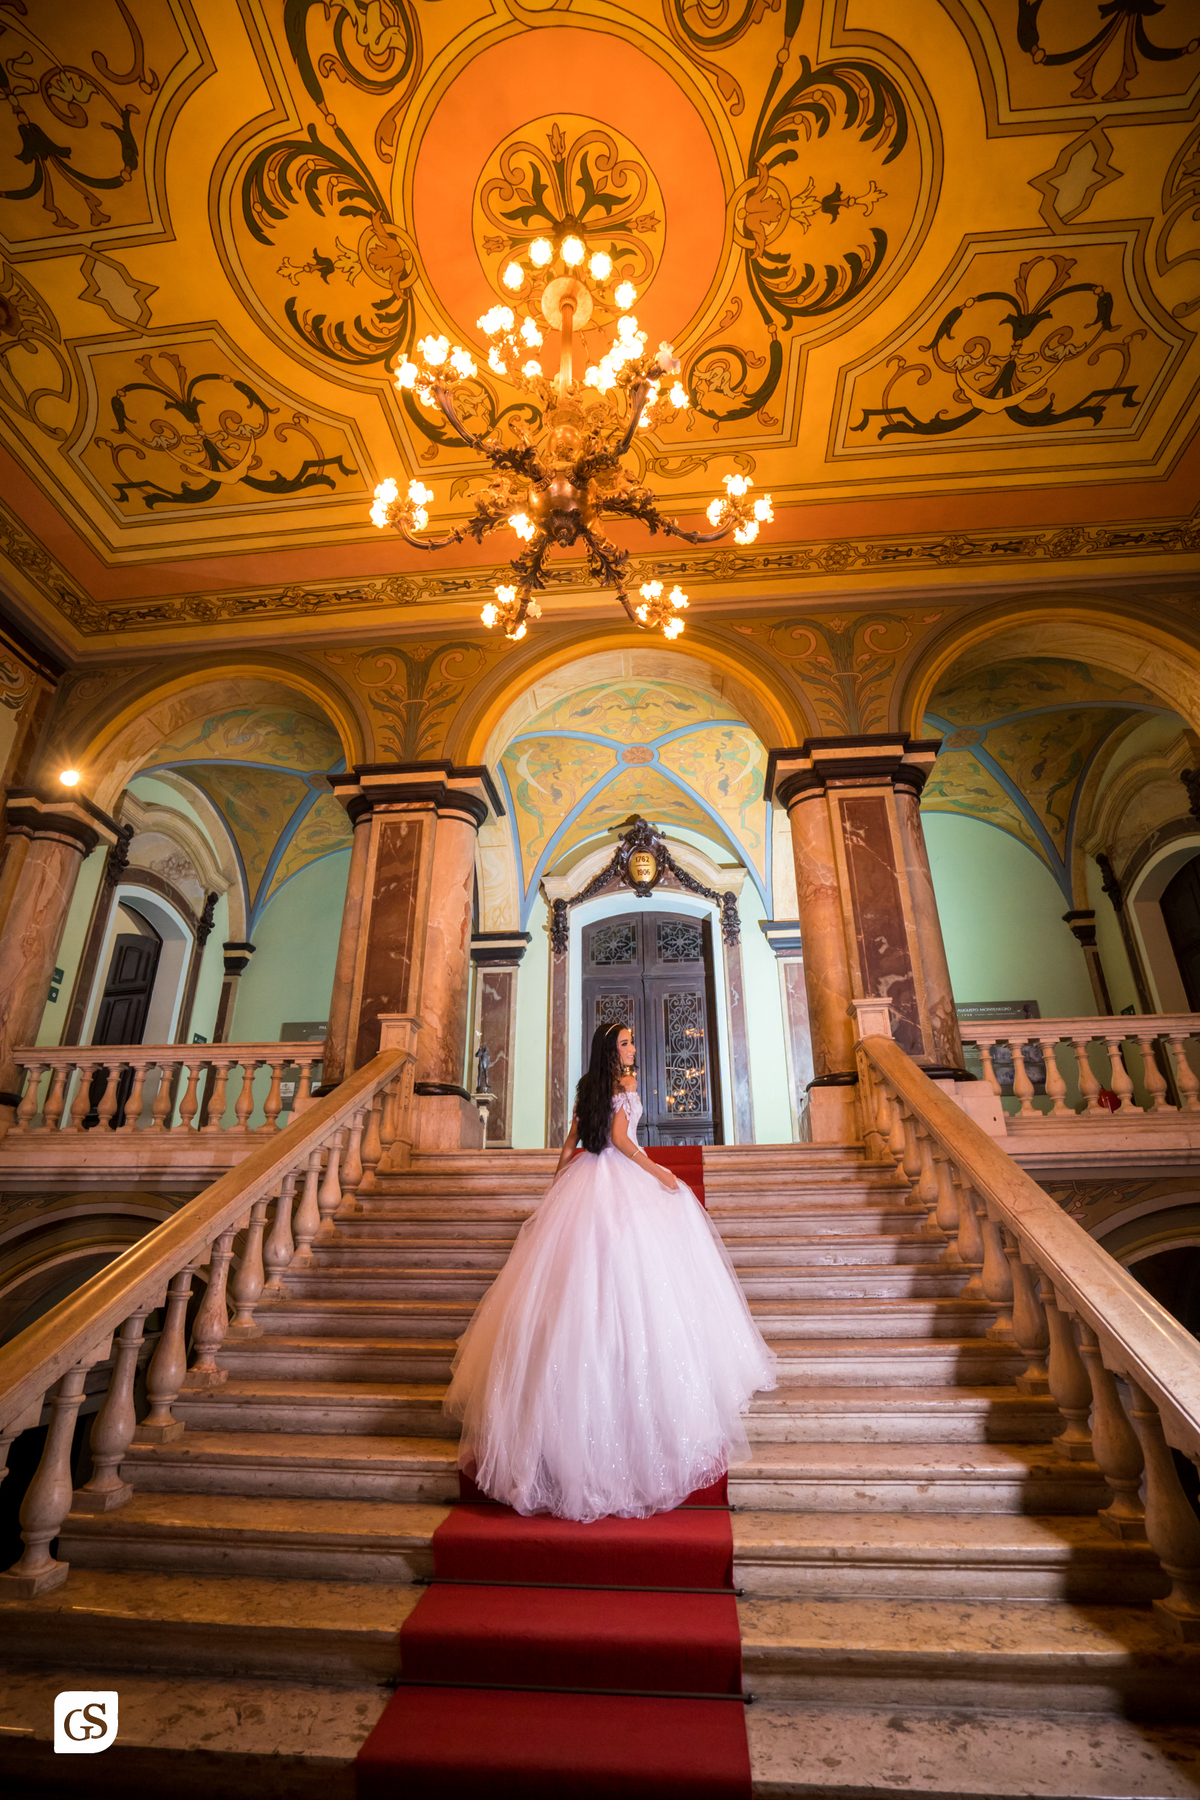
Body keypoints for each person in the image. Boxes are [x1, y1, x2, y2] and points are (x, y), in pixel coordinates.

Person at [443, 1020, 777, 1521]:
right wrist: (657, 1168)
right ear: (610, 1050)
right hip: (615, 1179)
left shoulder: (587, 1088)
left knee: (585, 1287)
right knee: (617, 1281)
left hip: (584, 1177)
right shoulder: (623, 1084)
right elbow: (620, 1138)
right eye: (625, 1043)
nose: (632, 1048)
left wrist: (557, 1183)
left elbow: (572, 1139)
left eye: (631, 1042)